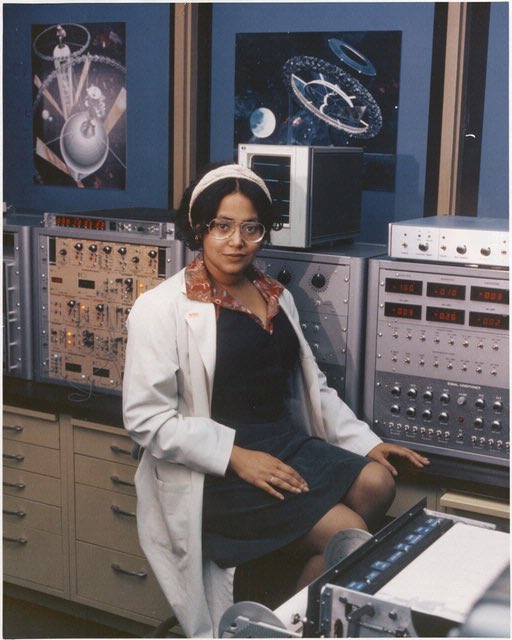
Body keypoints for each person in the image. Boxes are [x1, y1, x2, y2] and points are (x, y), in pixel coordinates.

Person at [122, 164, 429, 638]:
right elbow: (146, 420)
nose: (236, 241)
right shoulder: (160, 308)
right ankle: (289, 617)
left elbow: (311, 385)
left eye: (251, 228)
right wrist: (237, 457)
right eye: (222, 226)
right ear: (199, 228)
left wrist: (366, 444)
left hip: (281, 440)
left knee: (377, 484)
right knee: (347, 531)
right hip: (217, 465)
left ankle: (280, 607)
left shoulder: (274, 295)